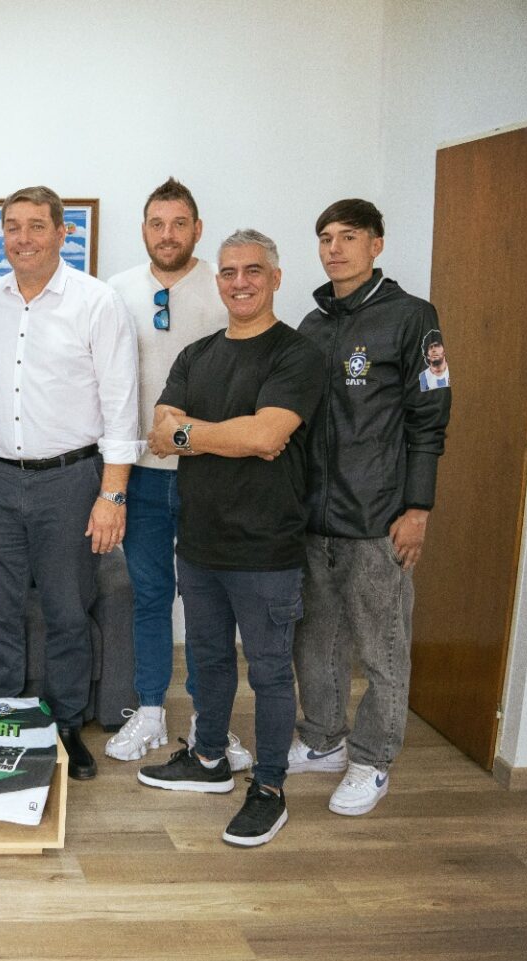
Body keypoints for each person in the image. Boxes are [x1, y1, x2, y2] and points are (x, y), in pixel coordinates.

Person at [137, 229, 323, 848]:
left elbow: (267, 437)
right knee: (208, 661)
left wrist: (197, 432)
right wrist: (222, 432)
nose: (238, 282)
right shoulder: (196, 354)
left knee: (269, 672)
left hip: (266, 548)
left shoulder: (296, 355)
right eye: (228, 272)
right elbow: (160, 430)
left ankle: (268, 788)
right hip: (200, 542)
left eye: (251, 271)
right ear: (217, 280)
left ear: (274, 277)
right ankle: (209, 757)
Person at [0, 186, 139, 781]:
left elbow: (122, 405)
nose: (23, 238)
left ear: (62, 234)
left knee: (67, 611)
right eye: (12, 227)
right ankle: (3, 718)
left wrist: (111, 494)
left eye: (36, 226)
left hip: (69, 480)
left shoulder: (97, 302)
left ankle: (66, 725)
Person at [288, 199, 452, 816]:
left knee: (382, 646)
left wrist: (418, 509)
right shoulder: (313, 324)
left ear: (376, 245)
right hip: (315, 518)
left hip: (380, 519)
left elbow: (430, 420)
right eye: (325, 237)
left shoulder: (412, 320)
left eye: (348, 237)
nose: (334, 248)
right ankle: (324, 739)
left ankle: (372, 759)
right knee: (317, 639)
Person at [103, 179, 250, 770]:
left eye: (179, 223)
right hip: (139, 473)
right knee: (150, 595)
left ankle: (209, 725)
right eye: (157, 223)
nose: (168, 234)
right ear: (143, 229)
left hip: (208, 475)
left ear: (197, 228)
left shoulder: (226, 289)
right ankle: (147, 711)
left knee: (212, 601)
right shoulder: (115, 292)